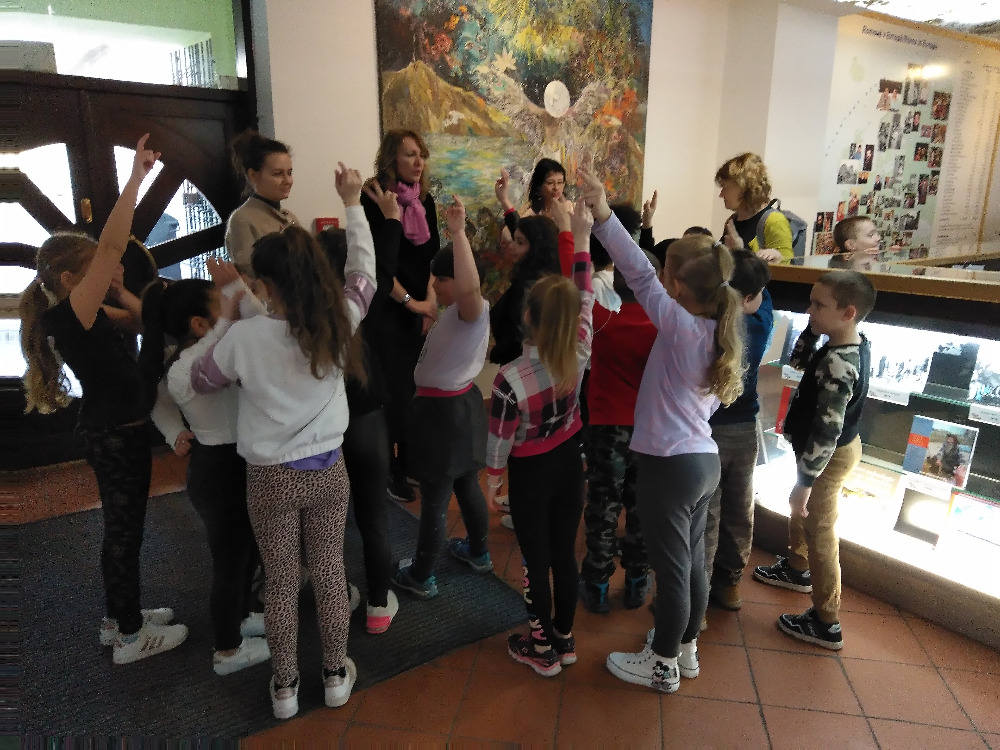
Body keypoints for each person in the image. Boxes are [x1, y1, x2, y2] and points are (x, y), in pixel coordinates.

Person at [190, 163, 375, 719]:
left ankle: (285, 687)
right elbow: (363, 274)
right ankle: (335, 675)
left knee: (280, 581)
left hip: (269, 478)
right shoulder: (339, 322)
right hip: (328, 472)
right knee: (330, 572)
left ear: (266, 287)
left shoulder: (244, 337)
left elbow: (202, 378)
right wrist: (352, 202)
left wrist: (229, 309)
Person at [20, 135, 188, 664]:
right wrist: (135, 178)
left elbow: (142, 320)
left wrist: (118, 290)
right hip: (116, 436)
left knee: (124, 530)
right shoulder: (71, 315)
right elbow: (114, 245)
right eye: (95, 270)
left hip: (117, 430)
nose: (109, 269)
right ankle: (130, 638)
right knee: (123, 532)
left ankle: (120, 618)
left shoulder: (84, 315)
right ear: (71, 279)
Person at [580, 168, 747, 694]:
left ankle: (663, 663)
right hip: (701, 463)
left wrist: (603, 215)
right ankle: (686, 649)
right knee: (691, 564)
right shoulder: (715, 329)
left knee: (672, 572)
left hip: (670, 467)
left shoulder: (678, 327)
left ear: (677, 286)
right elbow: (643, 271)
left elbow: (636, 269)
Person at [485, 197, 594, 678]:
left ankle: (541, 646)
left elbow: (499, 441)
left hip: (530, 473)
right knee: (565, 552)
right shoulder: (581, 348)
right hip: (570, 462)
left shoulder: (509, 378)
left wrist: (493, 480)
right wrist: (582, 238)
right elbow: (584, 294)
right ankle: (564, 639)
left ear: (526, 318)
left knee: (535, 559)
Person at [145, 271, 270, 675]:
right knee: (230, 561)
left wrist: (173, 432)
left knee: (247, 550)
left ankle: (241, 617)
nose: (230, 312)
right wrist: (235, 296)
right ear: (199, 324)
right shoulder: (189, 364)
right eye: (219, 308)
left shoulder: (195, 357)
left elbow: (160, 402)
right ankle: (227, 650)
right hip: (219, 469)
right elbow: (160, 398)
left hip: (231, 464)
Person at [753, 270, 875, 651]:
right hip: (819, 453)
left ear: (848, 313)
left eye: (818, 305)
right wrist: (812, 329)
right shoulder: (843, 342)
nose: (809, 310)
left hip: (827, 457)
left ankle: (827, 620)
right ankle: (797, 566)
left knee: (820, 528)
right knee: (803, 514)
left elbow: (828, 431)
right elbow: (798, 361)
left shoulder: (840, 364)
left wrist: (805, 481)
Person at [393, 196, 493, 599]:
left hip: (445, 413)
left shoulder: (473, 309)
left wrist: (458, 232)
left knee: (435, 496)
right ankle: (479, 552)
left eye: (441, 279)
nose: (434, 284)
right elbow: (440, 291)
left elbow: (469, 285)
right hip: (457, 408)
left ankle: (422, 575)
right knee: (466, 484)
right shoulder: (455, 309)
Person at [318, 183, 401, 635]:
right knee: (374, 516)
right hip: (368, 423)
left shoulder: (302, 317)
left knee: (326, 526)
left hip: (323, 431)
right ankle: (378, 606)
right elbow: (380, 264)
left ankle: (333, 600)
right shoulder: (365, 302)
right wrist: (388, 219)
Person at [578, 251, 659, 614]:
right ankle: (637, 582)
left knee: (602, 504)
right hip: (649, 429)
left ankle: (596, 584)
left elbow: (578, 285)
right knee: (641, 508)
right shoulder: (664, 327)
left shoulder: (601, 320)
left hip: (606, 426)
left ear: (614, 282)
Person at [362, 129, 440, 504]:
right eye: (409, 154)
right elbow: (377, 266)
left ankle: (410, 462)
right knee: (394, 393)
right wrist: (412, 303)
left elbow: (433, 257)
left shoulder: (426, 200)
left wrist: (429, 303)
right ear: (392, 159)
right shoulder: (374, 198)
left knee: (417, 390)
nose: (418, 161)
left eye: (420, 153)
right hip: (388, 311)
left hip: (421, 306)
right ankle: (392, 470)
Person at [703, 252, 773, 615]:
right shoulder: (758, 325)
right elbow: (764, 300)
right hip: (745, 429)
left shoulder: (707, 326)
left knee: (707, 512)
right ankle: (729, 584)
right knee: (740, 507)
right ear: (748, 298)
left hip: (707, 430)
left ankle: (698, 589)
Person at [225, 130, 298, 276]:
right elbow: (250, 274)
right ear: (253, 175)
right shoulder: (242, 219)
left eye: (289, 173)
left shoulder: (290, 217)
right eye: (278, 173)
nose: (287, 180)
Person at [716, 153, 793, 264]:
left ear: (743, 186)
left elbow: (785, 271)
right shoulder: (732, 221)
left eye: (725, 187)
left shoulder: (774, 221)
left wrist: (740, 252)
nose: (721, 194)